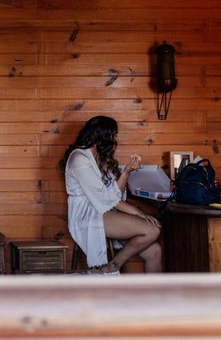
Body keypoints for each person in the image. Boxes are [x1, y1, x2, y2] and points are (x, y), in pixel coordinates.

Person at [61, 116, 162, 274]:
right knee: (152, 230)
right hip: (88, 214)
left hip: (106, 211)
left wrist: (127, 171)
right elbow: (105, 199)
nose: (115, 139)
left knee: (155, 252)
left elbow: (114, 195)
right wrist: (139, 213)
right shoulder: (79, 158)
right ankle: (112, 267)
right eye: (113, 135)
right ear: (103, 135)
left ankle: (154, 299)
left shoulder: (99, 157)